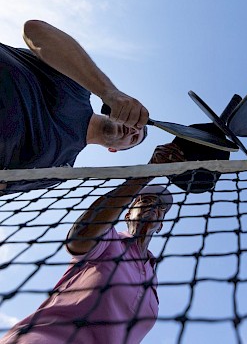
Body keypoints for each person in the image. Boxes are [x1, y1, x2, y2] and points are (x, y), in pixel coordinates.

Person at [0, 144, 185, 344]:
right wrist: (148, 172)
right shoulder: (110, 239)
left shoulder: (153, 280)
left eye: (160, 208)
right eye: (145, 200)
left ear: (160, 226)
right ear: (128, 214)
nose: (153, 206)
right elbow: (80, 236)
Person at [0, 20, 150, 193]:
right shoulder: (78, 84)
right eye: (135, 124)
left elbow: (3, 185)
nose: (133, 130)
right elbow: (35, 30)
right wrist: (109, 92)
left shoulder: (62, 169)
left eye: (134, 138)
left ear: (114, 149)